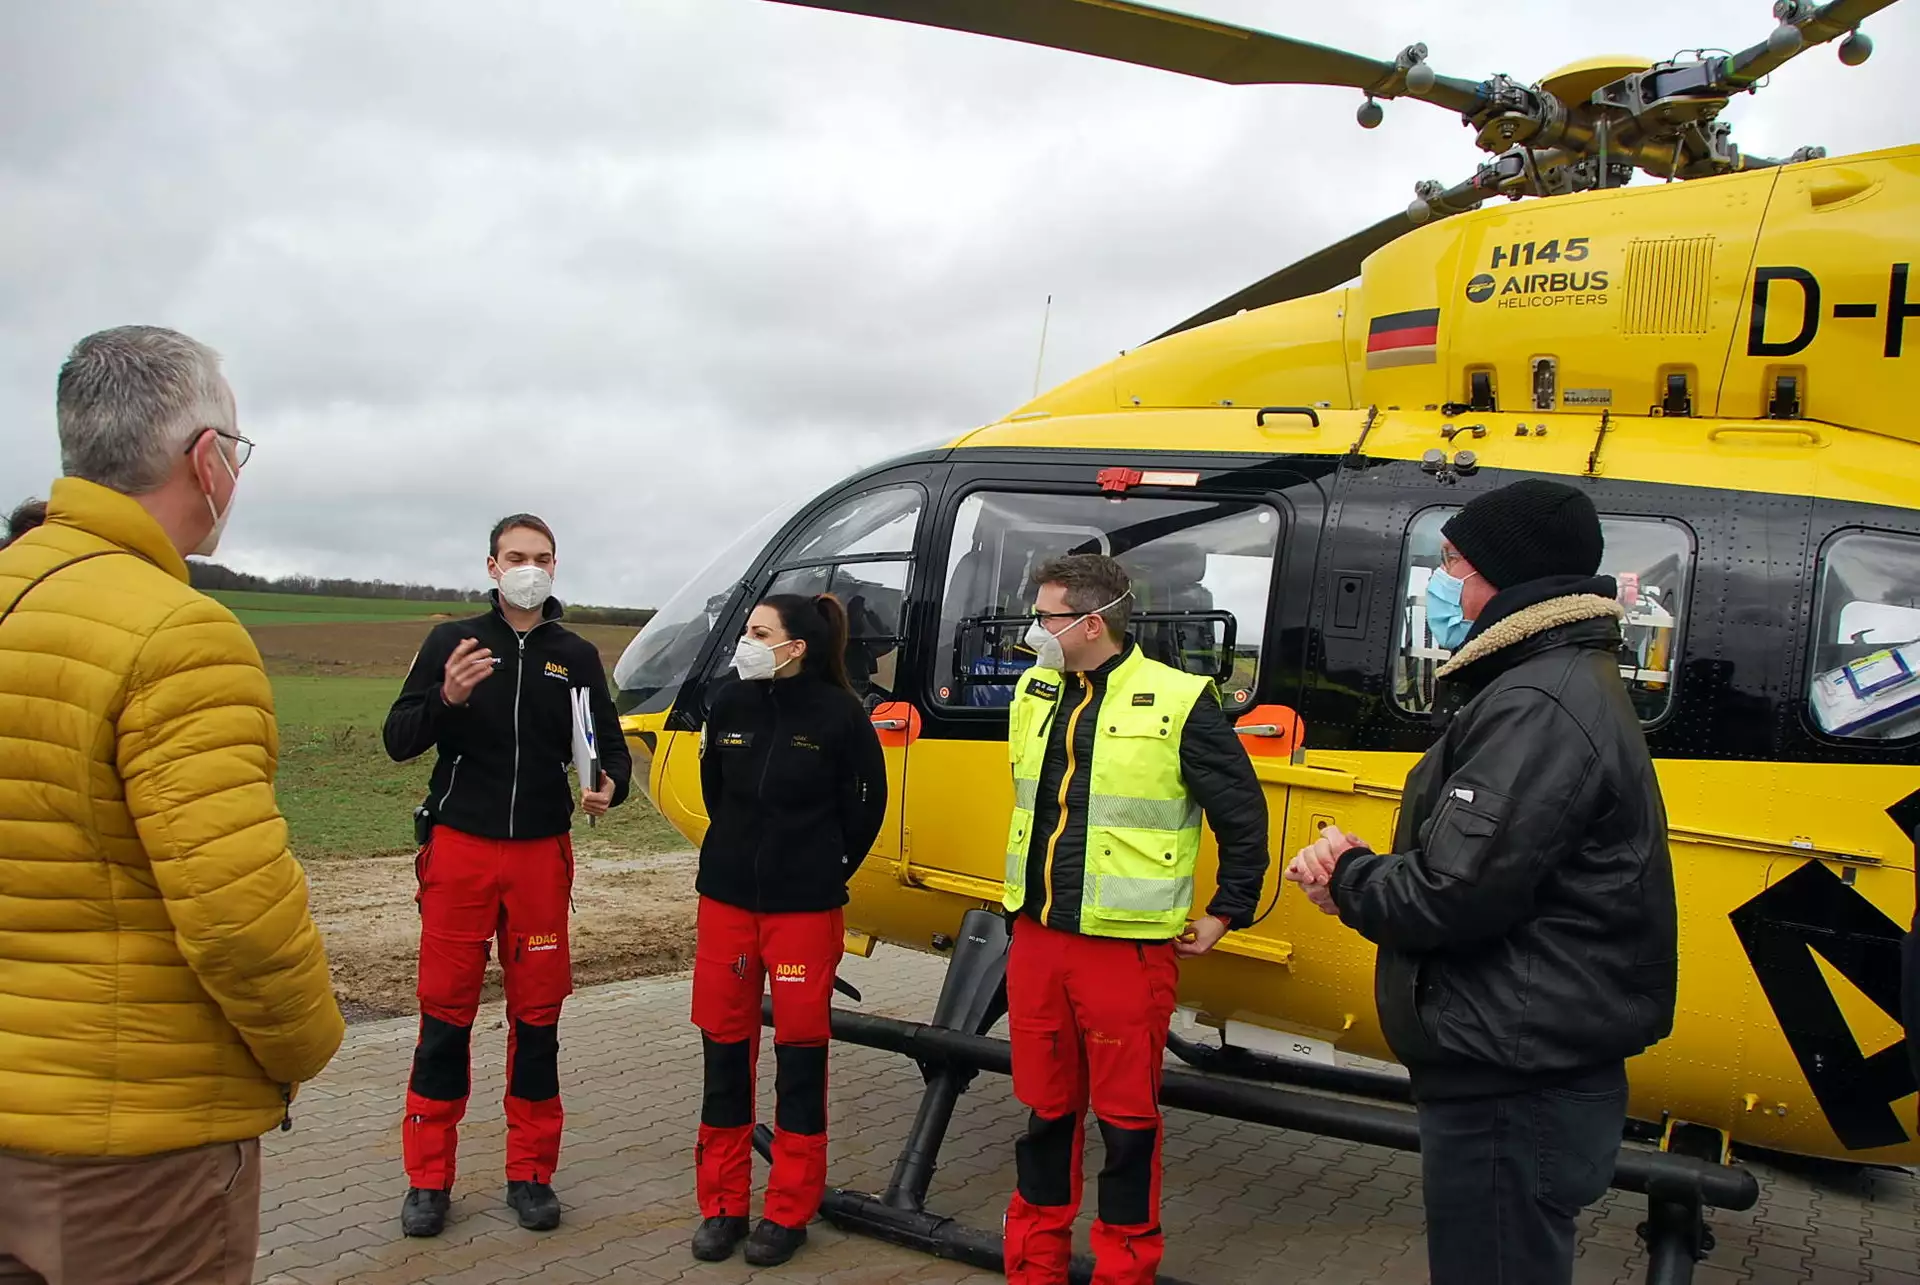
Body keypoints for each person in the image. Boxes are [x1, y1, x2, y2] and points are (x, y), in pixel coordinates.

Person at [0, 326, 344, 1284]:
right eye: (236, 449)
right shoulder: (181, 634)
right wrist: (306, 1046)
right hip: (131, 1149)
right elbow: (239, 918)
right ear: (207, 460)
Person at [1286, 478, 1678, 1285]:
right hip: (1519, 1052)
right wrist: (1366, 878)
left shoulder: (1539, 699)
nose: (1444, 582)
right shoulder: (1557, 680)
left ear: (1507, 575)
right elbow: (1485, 865)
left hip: (1511, 1073)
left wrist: (1349, 874)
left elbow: (1455, 892)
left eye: (1452, 563)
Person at [1000, 553, 1270, 1285]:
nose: (1034, 628)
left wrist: (1227, 910)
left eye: (1047, 616)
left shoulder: (1179, 699)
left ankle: (1124, 1268)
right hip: (1037, 939)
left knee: (1126, 1124)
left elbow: (1242, 814)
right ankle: (1034, 1263)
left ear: (1091, 623)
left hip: (1126, 950)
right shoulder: (1034, 689)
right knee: (1045, 1112)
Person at [383, 514, 633, 1237]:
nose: (530, 568)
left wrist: (609, 785)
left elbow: (610, 748)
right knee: (445, 1014)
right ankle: (428, 1178)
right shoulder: (453, 643)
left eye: (542, 557)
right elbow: (399, 739)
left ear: (555, 566)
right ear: (492, 566)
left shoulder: (575, 655)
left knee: (538, 1017)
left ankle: (531, 1172)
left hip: (539, 856)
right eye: (516, 556)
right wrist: (447, 699)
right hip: (461, 849)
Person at [688, 593, 887, 1268]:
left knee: (800, 1059)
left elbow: (865, 807)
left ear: (795, 646)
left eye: (758, 631)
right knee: (724, 1052)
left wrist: (821, 865)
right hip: (726, 902)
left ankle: (788, 1209)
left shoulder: (841, 714)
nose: (745, 641)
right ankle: (722, 1204)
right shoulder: (729, 702)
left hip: (803, 910)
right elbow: (716, 789)